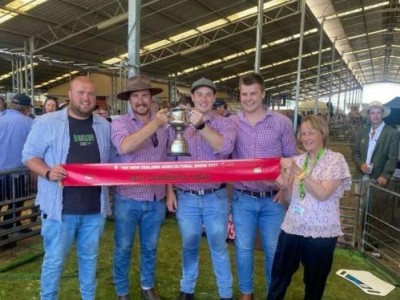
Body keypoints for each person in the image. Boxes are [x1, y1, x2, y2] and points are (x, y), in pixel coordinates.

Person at [22, 76, 112, 300]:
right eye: (81, 92)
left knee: (90, 261)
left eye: (91, 94)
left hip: (93, 209)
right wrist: (48, 171)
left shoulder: (104, 126)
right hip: (59, 211)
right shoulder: (47, 122)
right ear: (69, 96)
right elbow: (29, 155)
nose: (86, 98)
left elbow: (112, 160)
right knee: (54, 261)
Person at [267, 115, 352, 300]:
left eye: (311, 133)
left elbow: (323, 193)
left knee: (314, 283)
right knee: (279, 276)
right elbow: (290, 200)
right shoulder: (298, 159)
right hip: (292, 227)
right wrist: (284, 187)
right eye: (303, 133)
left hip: (320, 233)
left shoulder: (335, 160)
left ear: (323, 133)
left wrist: (298, 171)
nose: (306, 138)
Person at [167, 77, 235, 300]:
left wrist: (201, 126)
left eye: (208, 94)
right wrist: (170, 191)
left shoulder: (225, 123)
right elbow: (171, 161)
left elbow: (224, 149)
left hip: (215, 196)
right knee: (189, 245)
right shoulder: (178, 122)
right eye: (199, 95)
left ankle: (225, 293)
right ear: (193, 98)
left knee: (219, 246)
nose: (204, 99)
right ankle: (187, 289)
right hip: (186, 196)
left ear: (214, 98)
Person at [230, 73, 297, 300]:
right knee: (243, 249)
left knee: (273, 250)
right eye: (244, 94)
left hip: (273, 199)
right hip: (243, 196)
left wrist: (285, 184)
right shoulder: (232, 123)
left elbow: (292, 158)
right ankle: (246, 294)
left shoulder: (282, 123)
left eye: (253, 93)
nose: (248, 98)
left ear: (263, 93)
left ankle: (272, 294)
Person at [111, 74, 170, 300]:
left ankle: (147, 287)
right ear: (129, 100)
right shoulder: (120, 123)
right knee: (123, 247)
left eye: (144, 95)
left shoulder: (165, 125)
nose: (141, 100)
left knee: (150, 247)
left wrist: (170, 191)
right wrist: (155, 124)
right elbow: (125, 147)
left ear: (151, 98)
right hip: (128, 197)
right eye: (135, 96)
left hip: (156, 197)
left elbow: (167, 159)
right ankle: (122, 291)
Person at [0, 94, 33, 239]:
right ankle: (8, 226)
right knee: (17, 200)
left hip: (1, 170)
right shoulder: (28, 122)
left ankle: (11, 226)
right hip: (18, 171)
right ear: (26, 108)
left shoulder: (1, 118)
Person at [352, 101, 399, 186]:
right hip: (360, 176)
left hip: (378, 178)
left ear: (382, 114)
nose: (375, 116)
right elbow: (355, 152)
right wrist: (361, 164)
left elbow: (392, 157)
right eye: (372, 113)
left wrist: (385, 175)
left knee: (374, 199)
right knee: (358, 199)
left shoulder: (392, 133)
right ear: (368, 115)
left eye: (378, 112)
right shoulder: (361, 132)